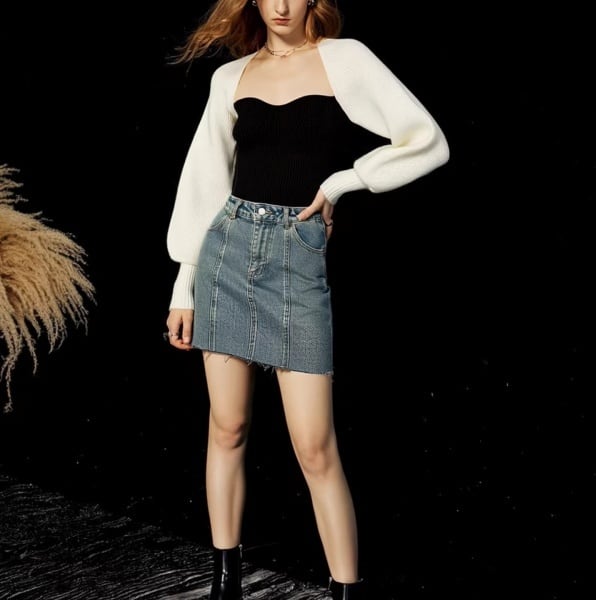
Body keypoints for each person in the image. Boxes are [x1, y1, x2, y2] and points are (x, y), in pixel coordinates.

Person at [164, 1, 449, 598]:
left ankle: (346, 591)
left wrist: (344, 182)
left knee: (315, 446)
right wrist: (183, 286)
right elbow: (205, 180)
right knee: (227, 426)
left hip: (296, 256)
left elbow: (428, 141)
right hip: (226, 251)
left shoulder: (346, 59)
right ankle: (225, 585)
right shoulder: (230, 76)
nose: (281, 5)